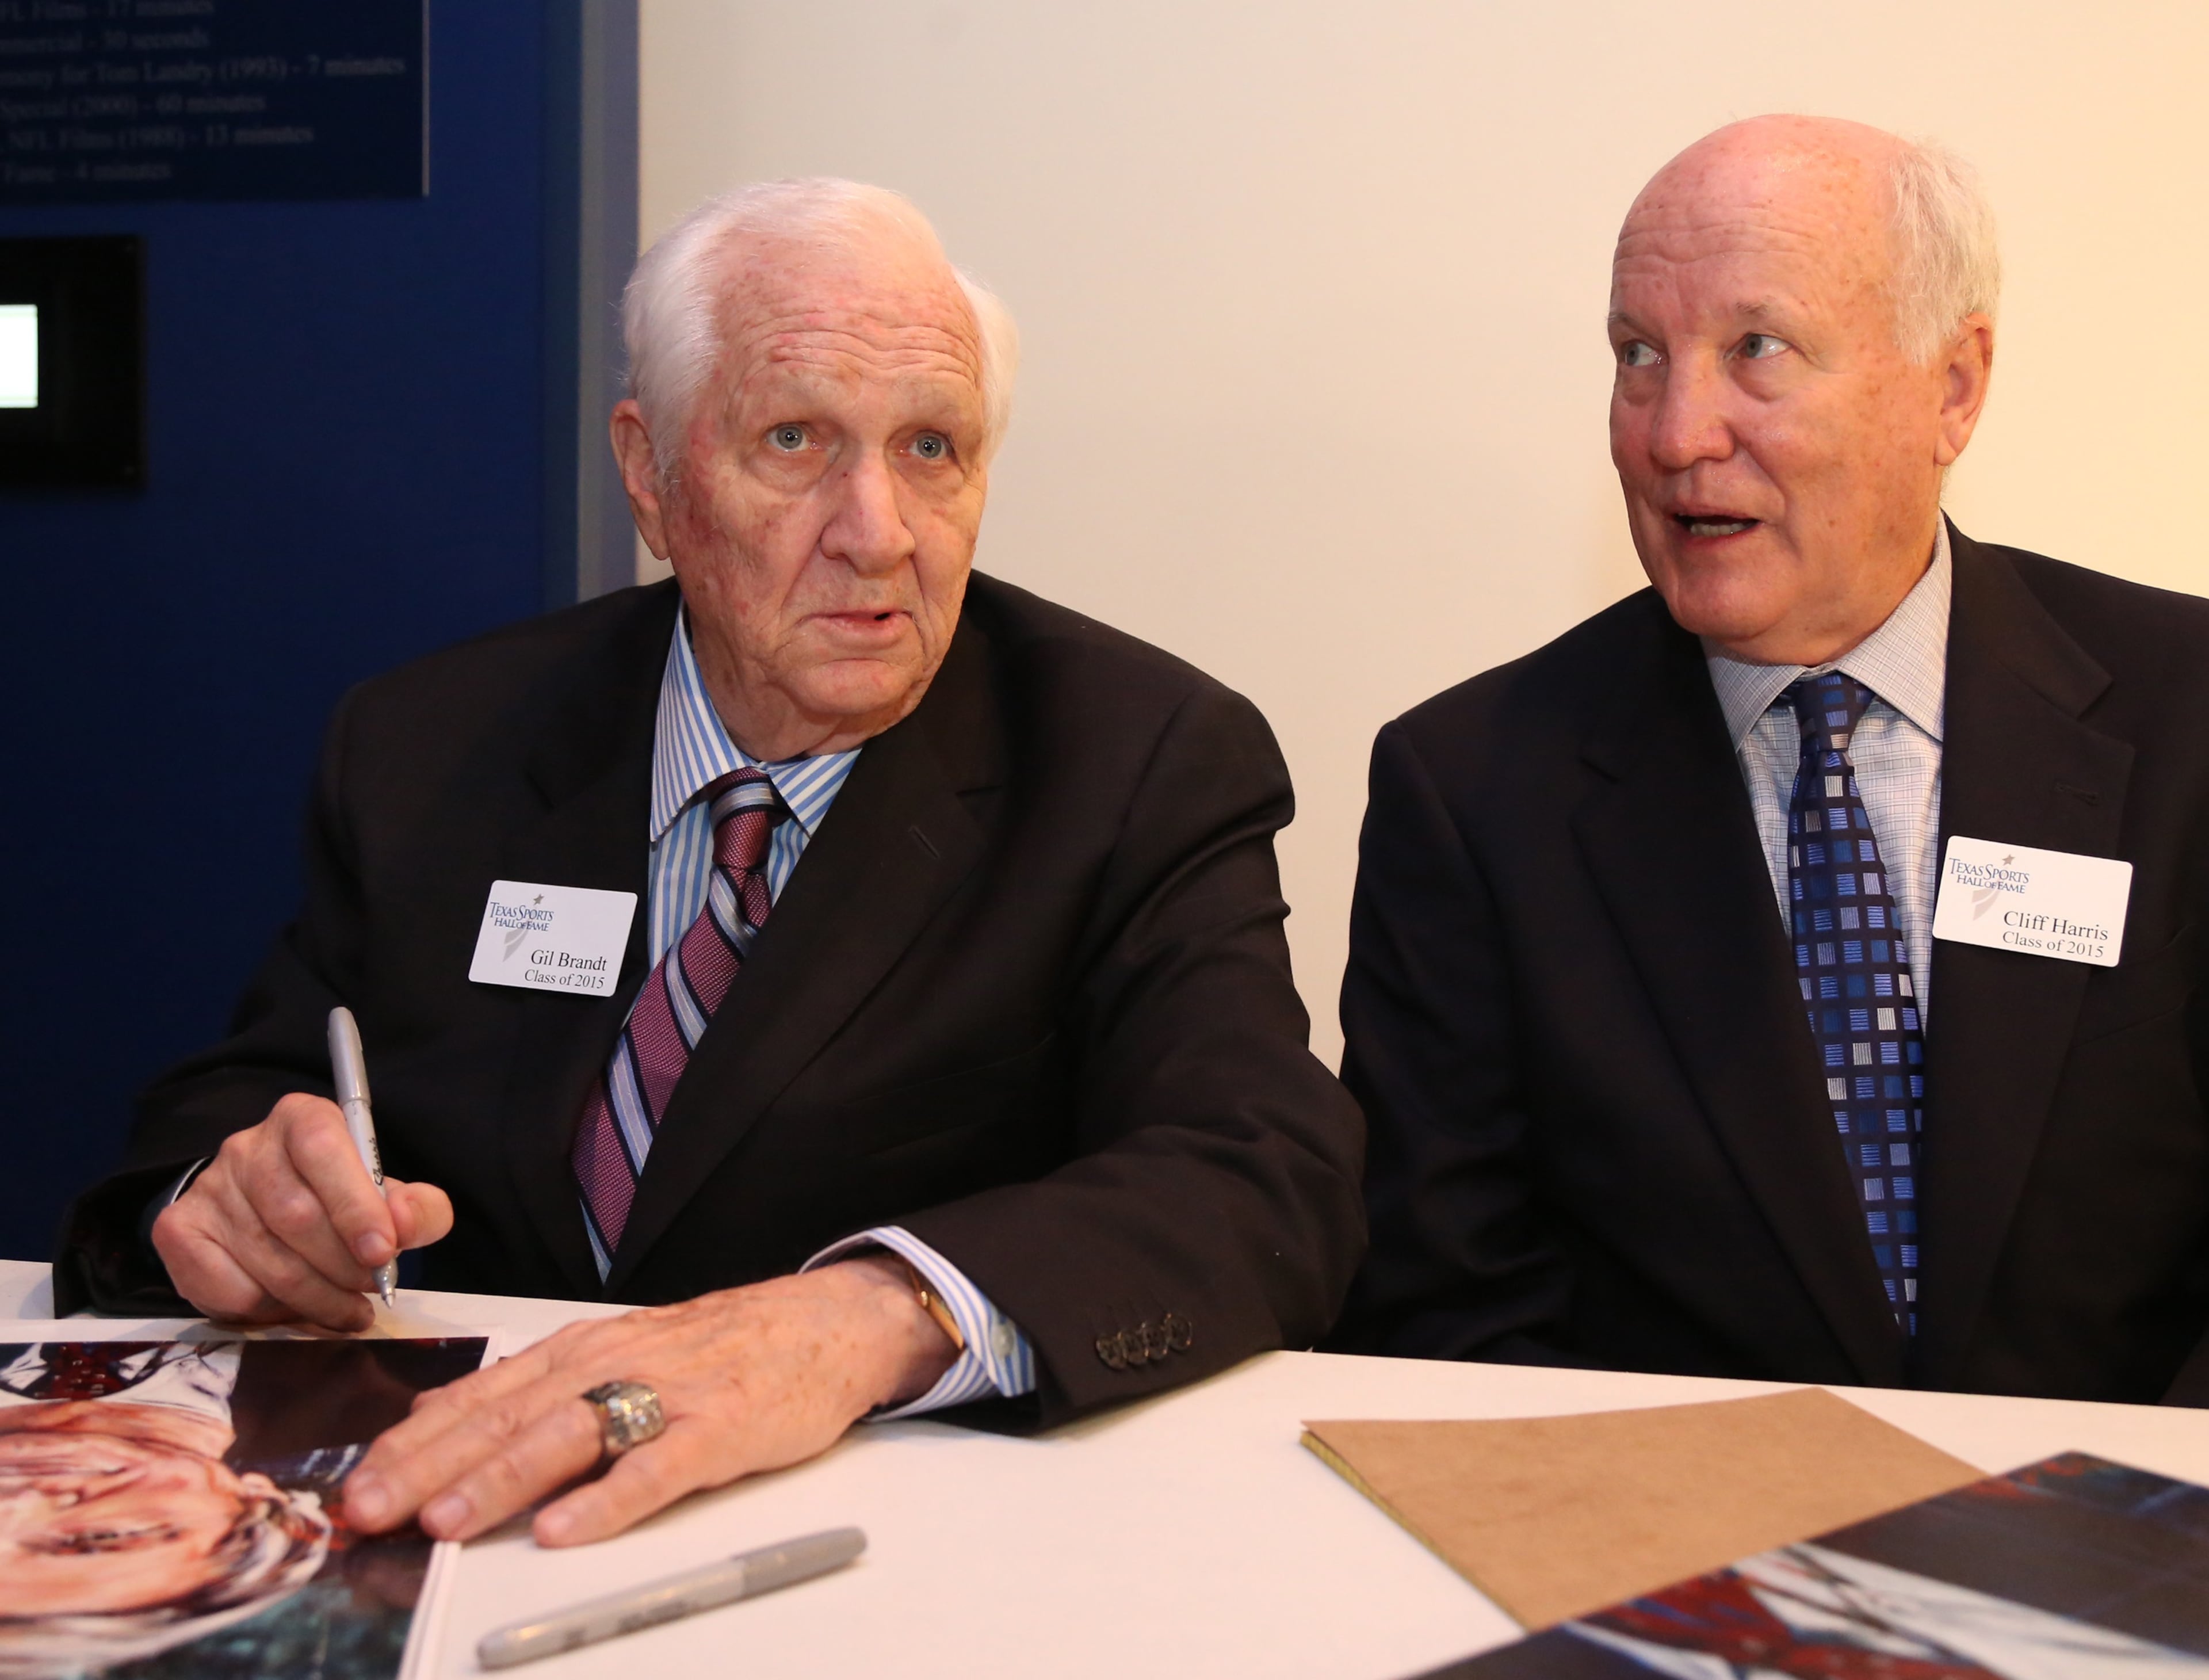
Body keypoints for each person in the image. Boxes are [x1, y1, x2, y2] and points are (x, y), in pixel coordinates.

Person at [55, 180, 1365, 1548]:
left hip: (888, 1539)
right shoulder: (428, 741)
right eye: (796, 439)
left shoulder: (1136, 758)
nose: (881, 529)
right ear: (650, 473)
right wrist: (233, 1192)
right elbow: (258, 1085)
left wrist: (871, 1317)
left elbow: (1262, 1172)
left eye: (932, 446)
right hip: (460, 1514)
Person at [1336, 116, 2209, 1406]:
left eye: (1759, 350)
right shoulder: (1472, 791)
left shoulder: (2186, 715)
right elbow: (1441, 1310)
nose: (1677, 431)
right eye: (1639, 355)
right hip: (1686, 1562)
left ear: (1953, 386)